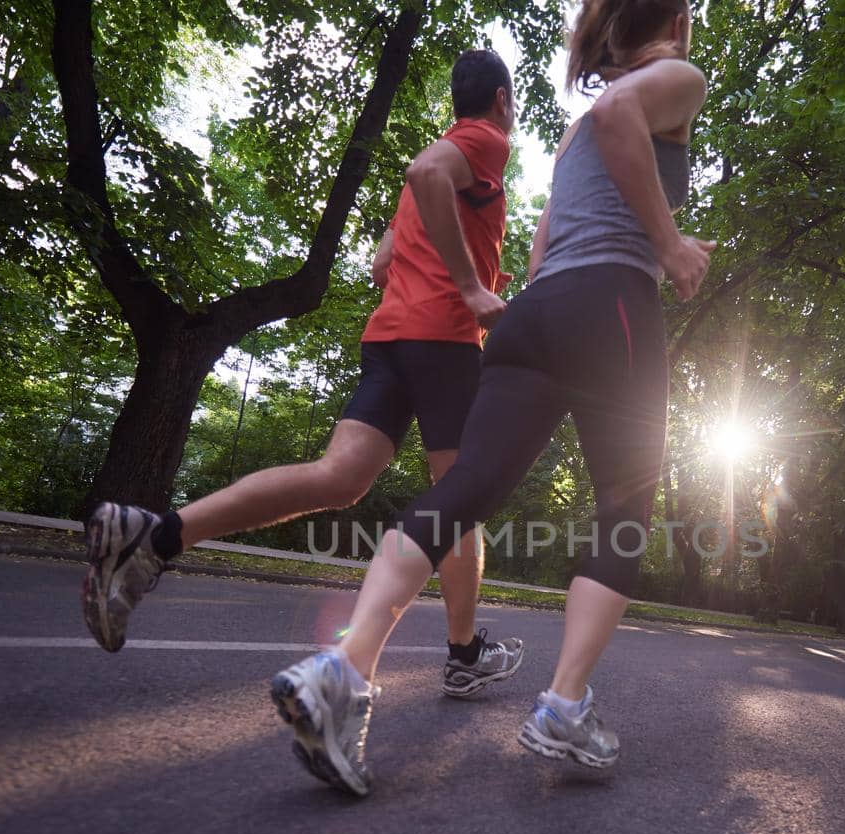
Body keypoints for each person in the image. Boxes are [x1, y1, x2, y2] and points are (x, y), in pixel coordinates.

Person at [269, 0, 713, 796]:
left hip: (536, 315)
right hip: (613, 305)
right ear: (675, 17)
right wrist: (672, 244)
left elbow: (544, 237)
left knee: (464, 487)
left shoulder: (570, 135)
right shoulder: (674, 76)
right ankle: (564, 705)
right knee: (624, 511)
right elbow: (619, 114)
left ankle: (343, 669)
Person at [81, 49, 526, 702]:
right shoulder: (483, 141)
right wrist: (471, 285)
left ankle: (157, 534)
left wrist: (471, 263)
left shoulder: (428, 186)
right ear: (502, 101)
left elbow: (382, 265)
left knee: (337, 478)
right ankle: (462, 652)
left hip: (390, 340)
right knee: (460, 502)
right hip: (445, 340)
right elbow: (429, 170)